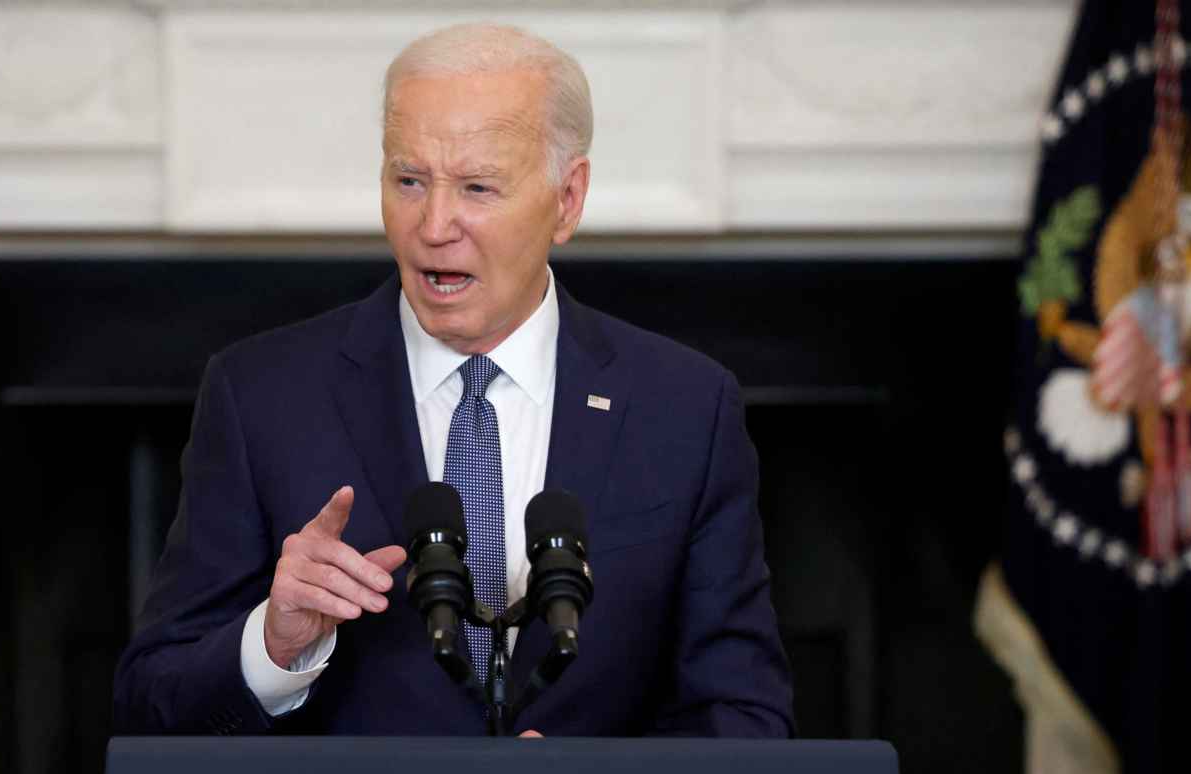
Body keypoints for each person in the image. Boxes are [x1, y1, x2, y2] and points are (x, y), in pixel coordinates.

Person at [112, 23, 793, 737]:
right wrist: (273, 645)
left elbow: (744, 715)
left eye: (477, 186)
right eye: (409, 181)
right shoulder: (261, 397)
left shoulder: (685, 408)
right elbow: (150, 707)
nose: (434, 224)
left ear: (568, 198)